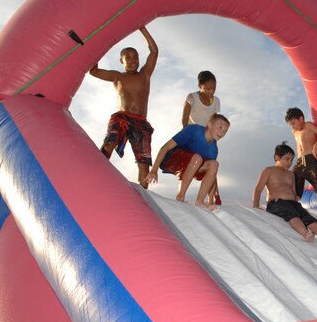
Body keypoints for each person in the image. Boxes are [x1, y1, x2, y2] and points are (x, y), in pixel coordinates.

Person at [90, 26, 158, 188]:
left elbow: (154, 51)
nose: (133, 60)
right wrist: (99, 42)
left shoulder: (145, 74)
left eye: (136, 57)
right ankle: (97, 171)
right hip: (123, 117)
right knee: (111, 139)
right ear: (122, 61)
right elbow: (93, 71)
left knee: (144, 161)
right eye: (128, 57)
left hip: (141, 122)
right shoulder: (117, 76)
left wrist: (142, 29)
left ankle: (143, 193)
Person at [253, 142, 317, 250]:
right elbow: (258, 189)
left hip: (293, 203)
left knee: (310, 219)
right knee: (292, 214)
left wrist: (296, 200)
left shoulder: (290, 174)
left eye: (292, 160)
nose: (289, 163)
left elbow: (293, 190)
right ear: (277, 157)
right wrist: (256, 206)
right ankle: (305, 233)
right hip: (276, 203)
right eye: (287, 159)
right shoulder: (269, 170)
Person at [145, 114, 230, 210]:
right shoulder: (193, 130)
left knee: (214, 164)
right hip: (171, 160)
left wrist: (212, 200)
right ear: (209, 124)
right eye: (220, 127)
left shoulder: (213, 150)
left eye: (225, 131)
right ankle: (180, 196)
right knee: (197, 158)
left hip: (192, 166)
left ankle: (200, 201)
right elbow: (165, 148)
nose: (222, 132)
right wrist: (154, 170)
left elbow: (212, 175)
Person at [182, 70, 222, 204]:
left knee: (213, 165)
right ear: (200, 86)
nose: (211, 91)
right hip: (192, 135)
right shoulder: (192, 97)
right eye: (208, 88)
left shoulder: (216, 101)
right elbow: (184, 120)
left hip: (209, 137)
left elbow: (215, 121)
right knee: (190, 165)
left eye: (214, 88)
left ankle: (212, 198)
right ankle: (181, 195)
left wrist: (214, 137)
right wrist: (187, 136)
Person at [285, 107, 317, 210]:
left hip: (311, 158)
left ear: (301, 119)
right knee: (293, 180)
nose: (292, 126)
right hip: (300, 160)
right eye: (290, 124)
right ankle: (293, 206)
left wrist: (316, 145)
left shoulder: (308, 125)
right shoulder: (294, 131)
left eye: (294, 123)